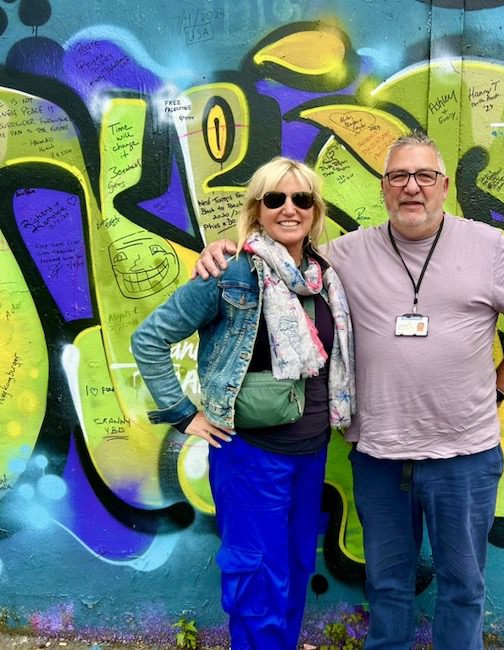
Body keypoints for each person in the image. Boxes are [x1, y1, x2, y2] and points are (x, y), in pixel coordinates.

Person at [193, 133, 504, 650]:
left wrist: (500, 390)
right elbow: (279, 258)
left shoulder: (488, 247)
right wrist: (223, 251)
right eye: (398, 177)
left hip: (465, 455)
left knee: (463, 586)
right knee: (387, 585)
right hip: (381, 456)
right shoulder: (344, 256)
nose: (412, 187)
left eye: (424, 176)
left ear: (445, 186)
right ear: (384, 188)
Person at [131, 157, 355, 650]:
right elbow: (149, 339)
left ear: (316, 210)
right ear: (257, 209)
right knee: (256, 576)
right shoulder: (228, 274)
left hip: (311, 449)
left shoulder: (325, 278)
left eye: (302, 199)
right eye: (275, 198)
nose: (289, 208)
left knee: (295, 567)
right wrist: (183, 415)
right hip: (249, 453)